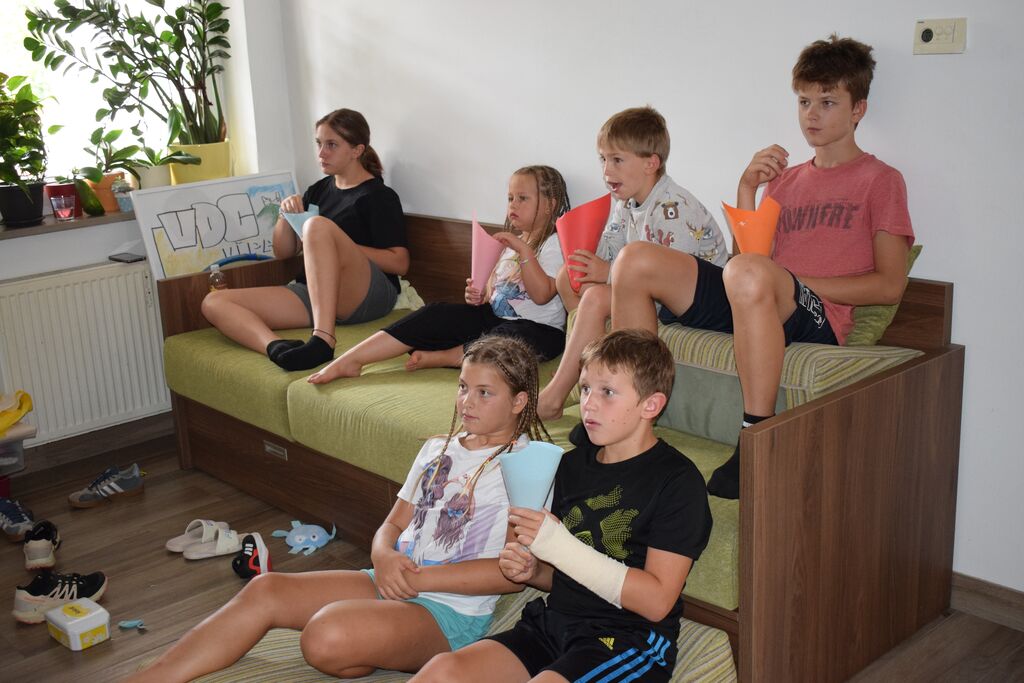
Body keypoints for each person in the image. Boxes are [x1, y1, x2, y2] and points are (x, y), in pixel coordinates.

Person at [127, 336, 551, 682]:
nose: (466, 402)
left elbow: (509, 574)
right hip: (390, 581)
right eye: (462, 387)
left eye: (484, 393)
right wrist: (382, 555)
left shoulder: (527, 467)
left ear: (519, 402)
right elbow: (394, 523)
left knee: (325, 635)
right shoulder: (437, 448)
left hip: (447, 613)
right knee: (265, 589)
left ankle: (377, 642)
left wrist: (417, 578)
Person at [610, 35, 914, 499]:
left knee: (750, 274)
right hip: (758, 295)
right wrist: (747, 188)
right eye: (804, 101)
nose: (811, 114)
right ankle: (627, 414)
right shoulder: (785, 181)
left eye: (827, 102)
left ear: (859, 109)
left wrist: (792, 282)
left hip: (816, 315)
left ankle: (755, 434)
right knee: (634, 260)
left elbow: (890, 286)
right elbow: (743, 262)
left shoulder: (882, 181)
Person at [413, 329, 712, 683]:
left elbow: (657, 601)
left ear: (651, 405)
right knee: (442, 671)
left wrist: (556, 544)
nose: (589, 404)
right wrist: (532, 571)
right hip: (553, 624)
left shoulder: (677, 481)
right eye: (585, 389)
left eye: (607, 392)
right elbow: (560, 576)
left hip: (626, 639)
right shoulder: (570, 466)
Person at [536, 106, 727, 421]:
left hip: (697, 302)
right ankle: (563, 394)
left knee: (607, 281)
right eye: (603, 159)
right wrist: (585, 246)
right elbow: (612, 246)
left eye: (617, 160)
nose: (606, 171)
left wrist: (608, 271)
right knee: (579, 286)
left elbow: (668, 274)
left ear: (651, 163)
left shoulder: (673, 207)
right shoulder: (625, 204)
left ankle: (618, 394)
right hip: (655, 297)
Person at [307, 166, 570, 384]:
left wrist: (523, 250)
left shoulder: (555, 243)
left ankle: (445, 357)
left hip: (539, 330)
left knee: (507, 338)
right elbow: (494, 295)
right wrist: (480, 294)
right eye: (510, 198)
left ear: (550, 205)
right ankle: (352, 359)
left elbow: (542, 295)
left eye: (523, 198)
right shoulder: (510, 244)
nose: (513, 205)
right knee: (436, 313)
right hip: (494, 319)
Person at [201, 108, 409, 372]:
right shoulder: (319, 190)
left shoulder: (379, 196)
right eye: (319, 143)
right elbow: (284, 252)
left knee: (318, 226)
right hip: (317, 292)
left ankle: (323, 339)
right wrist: (284, 215)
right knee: (214, 302)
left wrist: (335, 243)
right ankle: (278, 349)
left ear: (357, 150)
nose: (321, 153)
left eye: (331, 145)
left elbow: (400, 263)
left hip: (367, 294)